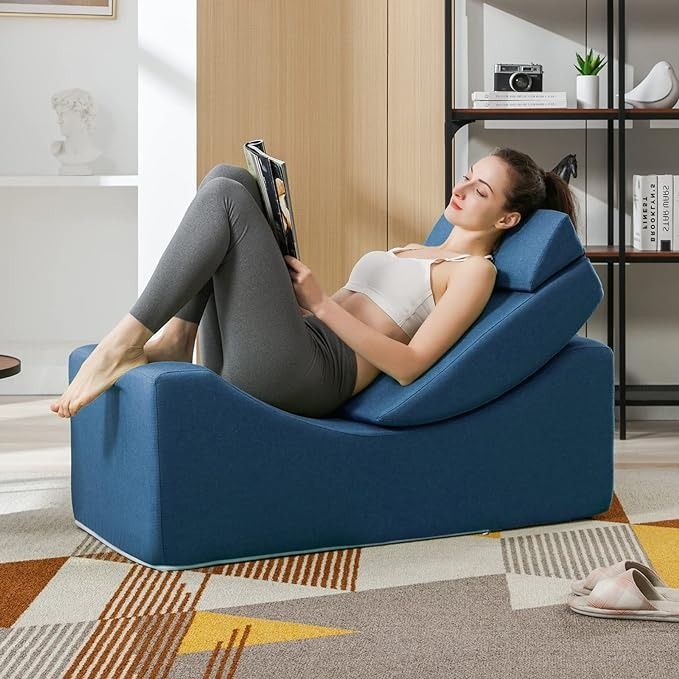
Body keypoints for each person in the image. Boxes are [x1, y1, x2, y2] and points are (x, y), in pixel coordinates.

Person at [50, 146, 577, 420]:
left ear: (506, 220)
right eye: (466, 176)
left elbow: (411, 365)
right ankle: (175, 338)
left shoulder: (474, 273)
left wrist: (321, 304)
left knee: (227, 201)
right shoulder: (425, 245)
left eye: (479, 190)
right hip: (290, 344)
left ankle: (124, 342)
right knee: (228, 178)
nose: (460, 189)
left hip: (310, 376)